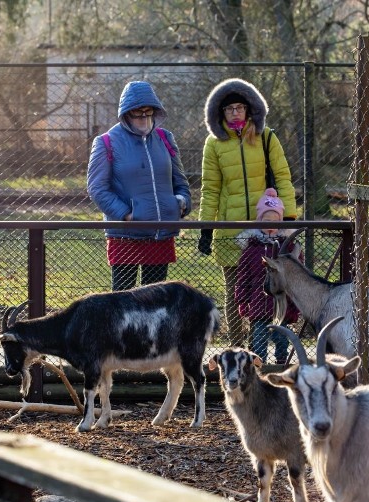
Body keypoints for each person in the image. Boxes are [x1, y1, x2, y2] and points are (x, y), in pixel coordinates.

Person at [197, 78, 298, 346]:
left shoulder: (267, 137)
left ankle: (267, 349)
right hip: (230, 228)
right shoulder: (214, 144)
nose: (235, 113)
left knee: (270, 289)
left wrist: (288, 220)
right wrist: (206, 227)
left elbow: (283, 177)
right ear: (220, 113)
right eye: (229, 109)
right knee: (234, 291)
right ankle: (238, 348)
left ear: (250, 108)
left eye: (240, 107)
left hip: (265, 226)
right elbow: (211, 189)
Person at [87, 81, 191, 291]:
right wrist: (126, 215)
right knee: (123, 300)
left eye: (148, 111)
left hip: (161, 232)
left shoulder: (165, 138)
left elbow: (180, 181)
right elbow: (97, 188)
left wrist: (181, 202)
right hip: (126, 235)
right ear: (126, 114)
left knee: (155, 301)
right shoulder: (106, 142)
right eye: (137, 113)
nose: (144, 118)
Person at [235, 189, 301, 364]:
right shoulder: (252, 248)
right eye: (266, 220)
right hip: (258, 304)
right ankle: (259, 367)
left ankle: (282, 365)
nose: (270, 224)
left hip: (281, 303)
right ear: (259, 221)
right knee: (259, 339)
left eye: (274, 220)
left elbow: (297, 276)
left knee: (281, 338)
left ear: (280, 221)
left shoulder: (287, 248)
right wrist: (243, 300)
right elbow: (244, 275)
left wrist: (295, 304)